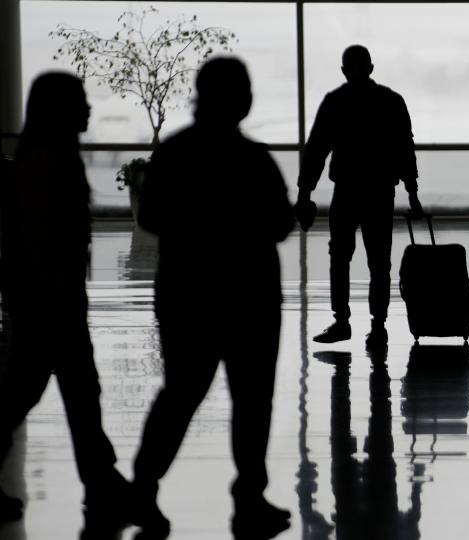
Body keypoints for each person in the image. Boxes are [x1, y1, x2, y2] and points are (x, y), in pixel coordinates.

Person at [130, 57, 294, 538]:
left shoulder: (175, 153)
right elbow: (282, 224)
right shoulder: (254, 159)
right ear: (239, 98)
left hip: (187, 291)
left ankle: (144, 487)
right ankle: (249, 497)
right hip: (251, 294)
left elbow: (152, 218)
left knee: (181, 393)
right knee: (252, 398)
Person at [0, 72, 129, 524]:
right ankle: (101, 481)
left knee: (52, 389)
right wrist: (63, 298)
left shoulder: (41, 158)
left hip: (45, 298)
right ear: (60, 109)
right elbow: (48, 240)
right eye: (80, 101)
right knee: (51, 389)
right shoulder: (51, 163)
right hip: (51, 300)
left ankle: (102, 479)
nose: (89, 108)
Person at [295, 45, 423, 348]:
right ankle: (378, 327)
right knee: (380, 262)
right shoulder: (391, 101)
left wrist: (304, 193)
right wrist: (412, 193)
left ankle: (342, 321)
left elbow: (316, 150)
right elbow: (405, 149)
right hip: (380, 191)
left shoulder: (335, 102)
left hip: (347, 191)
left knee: (339, 257)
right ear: (371, 67)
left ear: (344, 70)